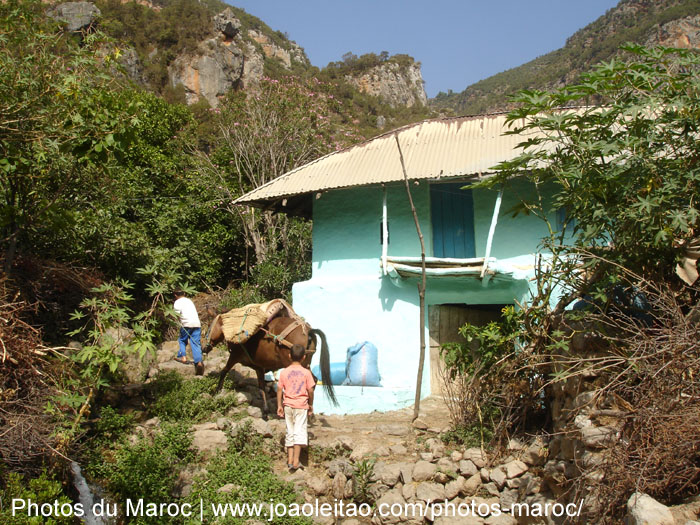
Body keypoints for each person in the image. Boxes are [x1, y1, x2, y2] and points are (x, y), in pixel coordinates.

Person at [276, 344, 315, 470]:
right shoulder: (306, 373)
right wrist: (310, 404)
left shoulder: (284, 372)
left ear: (289, 355)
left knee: (290, 430)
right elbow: (310, 390)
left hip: (288, 405)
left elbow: (279, 390)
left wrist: (279, 405)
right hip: (301, 406)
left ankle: (289, 459)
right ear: (304, 357)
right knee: (299, 431)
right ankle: (296, 461)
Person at [173, 290, 204, 375]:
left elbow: (176, 315)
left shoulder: (177, 302)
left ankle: (183, 357)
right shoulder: (189, 301)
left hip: (186, 324)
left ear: (175, 295)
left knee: (182, 340)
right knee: (196, 343)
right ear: (184, 294)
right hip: (197, 324)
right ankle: (199, 362)